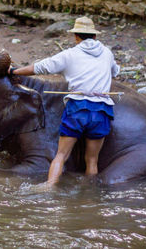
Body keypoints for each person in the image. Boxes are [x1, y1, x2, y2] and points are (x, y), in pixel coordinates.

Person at [7, 16, 120, 187]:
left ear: (76, 37)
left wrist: (15, 71)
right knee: (92, 160)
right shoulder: (107, 53)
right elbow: (115, 72)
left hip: (77, 108)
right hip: (101, 110)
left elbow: (40, 67)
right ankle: (89, 197)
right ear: (95, 36)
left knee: (61, 155)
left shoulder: (70, 54)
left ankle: (49, 186)